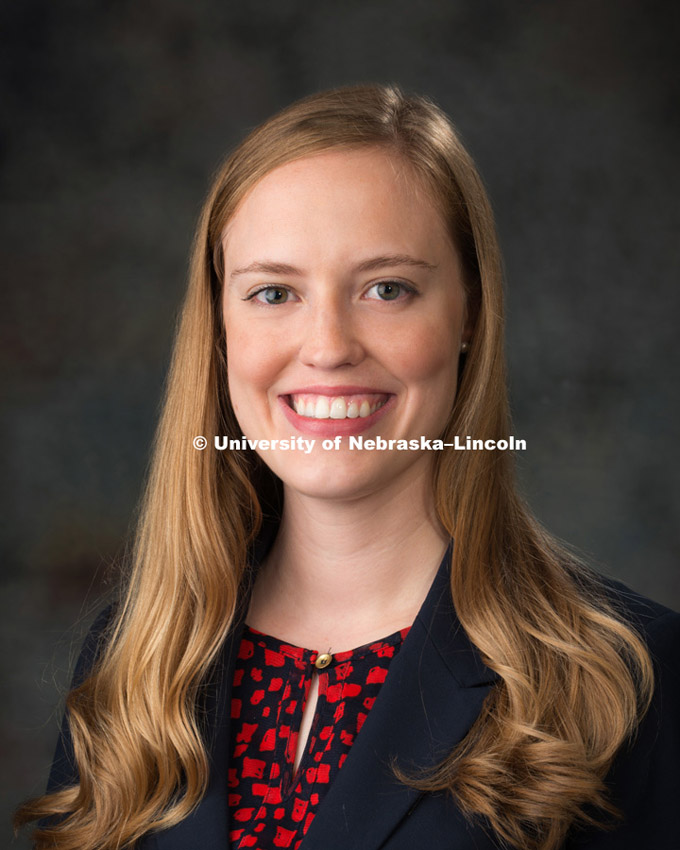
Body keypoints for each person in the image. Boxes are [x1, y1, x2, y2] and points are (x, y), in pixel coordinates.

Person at [14, 84, 679, 850]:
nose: (328, 347)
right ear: (221, 329)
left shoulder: (623, 676)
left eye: (387, 289)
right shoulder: (132, 669)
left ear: (469, 314)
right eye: (273, 292)